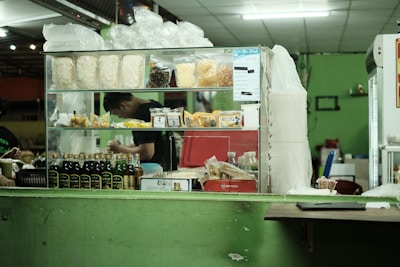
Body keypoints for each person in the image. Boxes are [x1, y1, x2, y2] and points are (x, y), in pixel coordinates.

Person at [103, 92, 177, 171]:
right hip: (168, 165)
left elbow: (146, 153)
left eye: (117, 114)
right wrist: (123, 147)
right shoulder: (155, 106)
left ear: (123, 106)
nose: (120, 117)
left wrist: (119, 148)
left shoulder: (141, 115)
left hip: (153, 170)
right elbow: (152, 141)